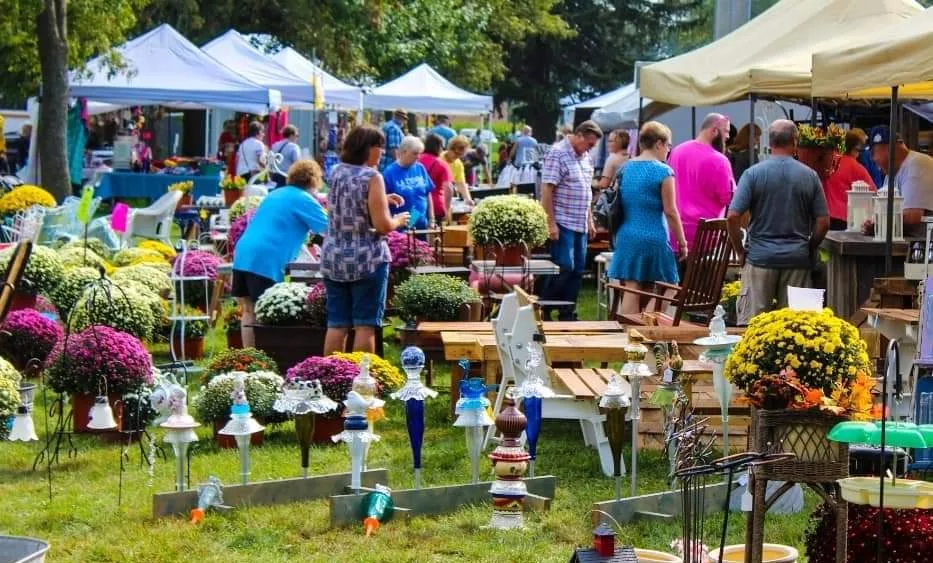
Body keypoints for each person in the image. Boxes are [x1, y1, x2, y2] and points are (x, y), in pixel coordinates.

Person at [727, 120, 830, 325]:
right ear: (795, 141)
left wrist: (740, 251)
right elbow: (823, 222)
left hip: (759, 259)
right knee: (796, 328)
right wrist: (809, 247)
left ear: (770, 142)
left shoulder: (753, 174)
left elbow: (732, 216)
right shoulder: (809, 176)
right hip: (797, 261)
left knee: (754, 328)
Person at [322, 125, 409, 354]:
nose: (382, 152)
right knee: (365, 325)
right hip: (366, 258)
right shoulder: (372, 176)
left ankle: (333, 379)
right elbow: (382, 225)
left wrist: (382, 199)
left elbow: (348, 203)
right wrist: (398, 220)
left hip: (334, 257)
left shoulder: (337, 171)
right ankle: (362, 383)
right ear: (368, 148)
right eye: (379, 147)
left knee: (337, 324)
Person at [232, 159, 329, 347]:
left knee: (249, 310)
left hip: (243, 253)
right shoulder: (304, 199)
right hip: (265, 259)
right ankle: (266, 359)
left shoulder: (275, 194)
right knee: (266, 312)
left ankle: (248, 358)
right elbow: (330, 228)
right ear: (313, 181)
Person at [608, 122, 687, 315]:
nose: (669, 151)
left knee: (632, 285)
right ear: (659, 144)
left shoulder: (625, 168)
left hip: (626, 234)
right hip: (653, 235)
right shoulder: (663, 171)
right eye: (669, 146)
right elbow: (670, 211)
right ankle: (647, 323)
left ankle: (629, 335)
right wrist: (683, 242)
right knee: (670, 283)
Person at [539, 120, 603, 320]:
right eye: (590, 144)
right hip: (563, 221)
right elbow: (547, 189)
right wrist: (550, 222)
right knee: (564, 266)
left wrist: (590, 219)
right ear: (580, 135)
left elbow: (586, 191)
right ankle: (544, 306)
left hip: (580, 222)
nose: (591, 149)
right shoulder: (558, 153)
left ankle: (568, 312)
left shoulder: (586, 158)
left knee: (577, 270)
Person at [668, 113, 735, 258]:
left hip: (674, 234)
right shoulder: (720, 161)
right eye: (726, 131)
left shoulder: (676, 151)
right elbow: (728, 198)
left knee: (676, 281)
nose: (728, 137)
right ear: (714, 131)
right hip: (706, 239)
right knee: (702, 281)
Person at [863, 125, 933, 238]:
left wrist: (879, 223)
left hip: (924, 249)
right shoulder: (891, 174)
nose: (872, 159)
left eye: (873, 153)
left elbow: (912, 217)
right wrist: (873, 221)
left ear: (888, 149)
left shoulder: (916, 164)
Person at [824, 128, 876, 231]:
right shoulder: (856, 168)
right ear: (855, 148)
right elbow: (874, 193)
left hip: (824, 216)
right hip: (845, 219)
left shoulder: (829, 162)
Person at [383, 136, 435, 229]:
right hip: (401, 227)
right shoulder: (389, 172)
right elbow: (382, 201)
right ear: (404, 152)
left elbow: (427, 193)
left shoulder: (420, 168)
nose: (418, 157)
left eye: (419, 153)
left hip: (422, 225)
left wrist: (432, 218)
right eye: (415, 153)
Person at [419, 133, 454, 224]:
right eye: (442, 147)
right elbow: (449, 188)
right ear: (438, 147)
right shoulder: (442, 165)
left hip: (417, 205)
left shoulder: (415, 160)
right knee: (435, 234)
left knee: (412, 231)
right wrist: (447, 210)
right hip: (436, 207)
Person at [442, 135, 475, 205]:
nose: (457, 156)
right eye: (456, 153)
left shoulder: (458, 164)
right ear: (450, 148)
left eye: (461, 155)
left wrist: (468, 199)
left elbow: (461, 184)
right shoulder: (439, 159)